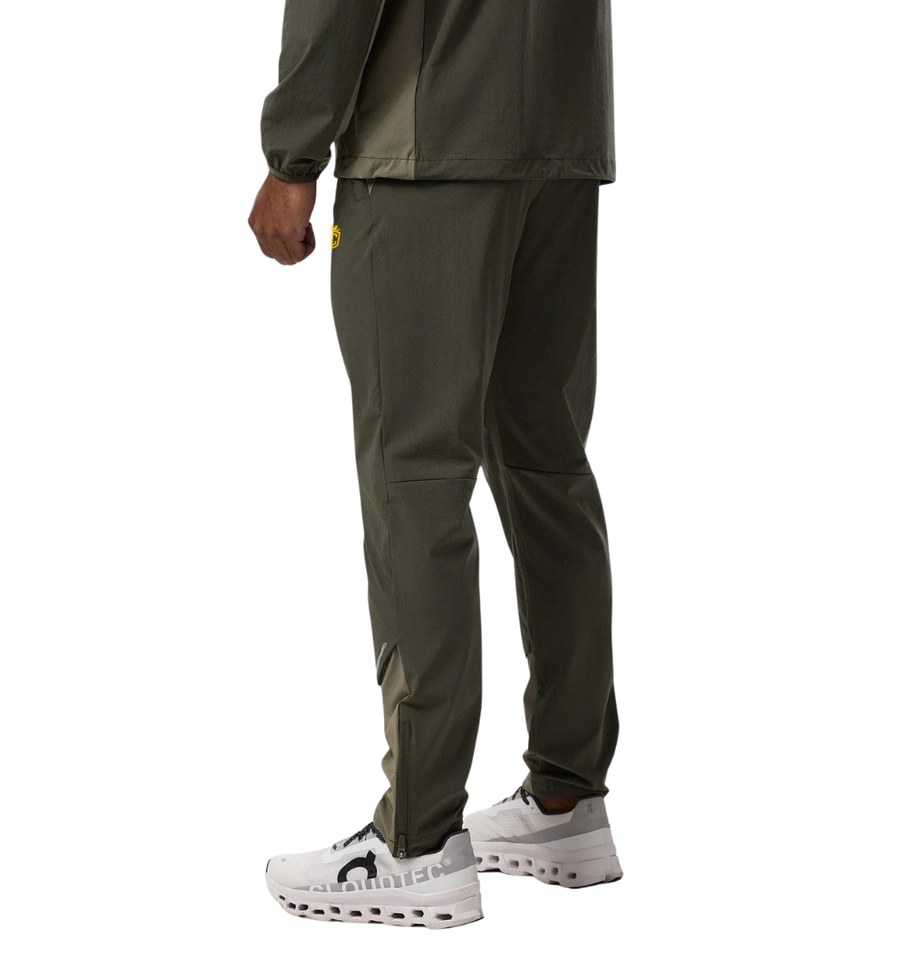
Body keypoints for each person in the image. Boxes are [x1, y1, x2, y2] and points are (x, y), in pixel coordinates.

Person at [250, 1, 621, 929]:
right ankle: (567, 799)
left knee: (414, 475)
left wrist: (292, 156)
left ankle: (417, 839)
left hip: (426, 139)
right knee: (547, 466)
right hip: (561, 134)